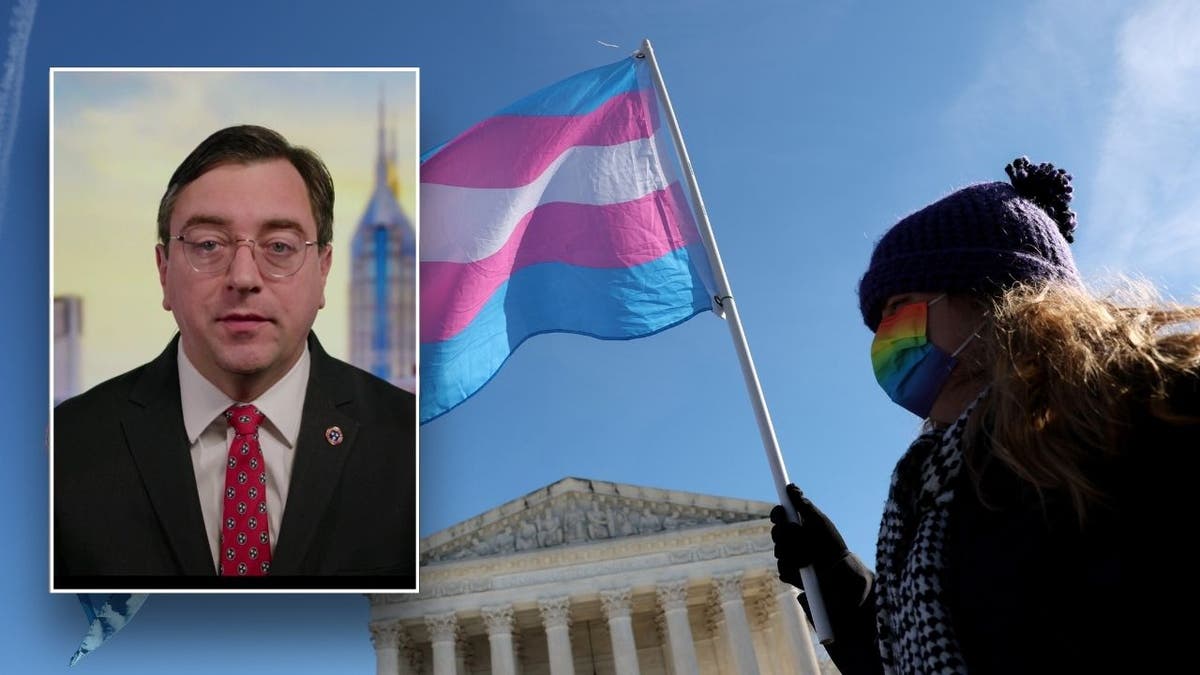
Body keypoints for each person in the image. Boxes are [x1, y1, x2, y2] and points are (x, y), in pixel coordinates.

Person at [771, 157, 1199, 673]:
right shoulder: (934, 489)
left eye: (899, 305)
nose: (885, 336)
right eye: (879, 321)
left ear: (995, 297)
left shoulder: (1153, 416)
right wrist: (840, 583)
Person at [54, 125, 416, 588]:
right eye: (209, 245)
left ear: (323, 271)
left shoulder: (409, 445)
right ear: (164, 271)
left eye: (280, 247)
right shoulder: (68, 452)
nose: (243, 277)